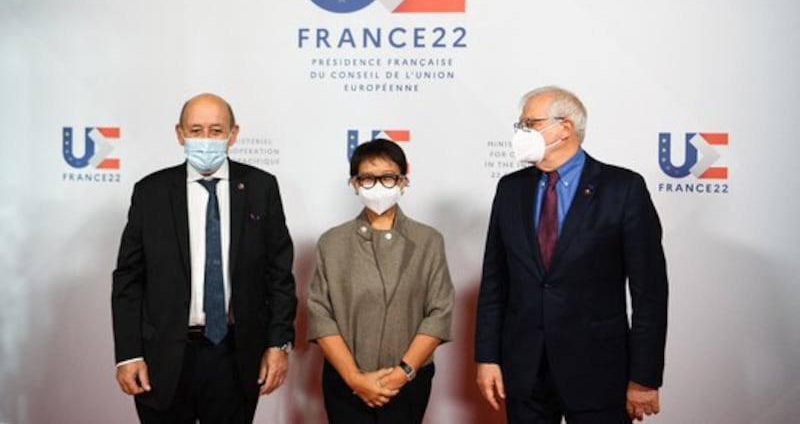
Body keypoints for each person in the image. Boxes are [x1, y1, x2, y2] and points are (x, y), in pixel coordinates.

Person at [475, 86, 668, 423]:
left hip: (598, 371)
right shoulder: (510, 188)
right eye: (519, 125)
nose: (520, 133)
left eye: (529, 124)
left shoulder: (623, 188)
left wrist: (644, 378)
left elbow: (649, 293)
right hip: (525, 371)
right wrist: (487, 358)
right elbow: (495, 282)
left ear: (564, 127)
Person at [112, 93, 297, 423]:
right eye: (196, 130)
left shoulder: (260, 187)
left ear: (233, 134)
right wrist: (128, 354)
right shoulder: (150, 192)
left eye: (216, 130)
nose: (206, 140)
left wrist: (278, 344)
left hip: (235, 355)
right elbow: (128, 280)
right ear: (179, 134)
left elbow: (279, 275)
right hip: (163, 358)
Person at [307, 138, 455, 424]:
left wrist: (402, 374)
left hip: (409, 382)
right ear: (354, 183)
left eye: (388, 178)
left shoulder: (428, 241)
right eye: (368, 178)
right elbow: (320, 315)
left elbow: (439, 313)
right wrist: (354, 378)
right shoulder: (332, 242)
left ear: (403, 182)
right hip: (345, 382)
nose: (378, 186)